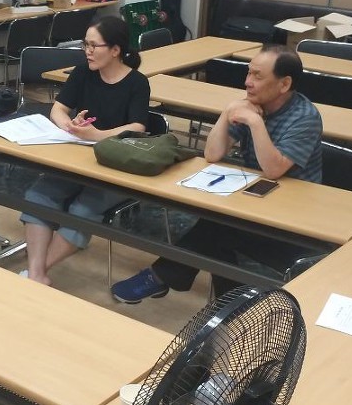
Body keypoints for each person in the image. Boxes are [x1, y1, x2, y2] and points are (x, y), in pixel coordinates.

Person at [111, 43, 323, 303]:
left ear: (284, 84)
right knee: (217, 232)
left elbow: (274, 169)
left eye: (257, 76)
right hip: (253, 203)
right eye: (248, 73)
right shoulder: (252, 104)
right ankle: (230, 306)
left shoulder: (305, 117)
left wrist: (255, 122)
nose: (247, 82)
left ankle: (162, 278)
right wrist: (228, 112)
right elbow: (212, 154)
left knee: (215, 231)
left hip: (292, 218)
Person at [20, 16, 150, 285]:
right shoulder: (82, 73)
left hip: (117, 167)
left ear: (115, 50)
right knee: (38, 196)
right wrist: (69, 125)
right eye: (85, 45)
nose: (87, 51)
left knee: (83, 209)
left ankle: (36, 273)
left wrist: (97, 135)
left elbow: (137, 127)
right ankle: (36, 273)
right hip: (79, 158)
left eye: (94, 45)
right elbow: (58, 108)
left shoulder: (136, 82)